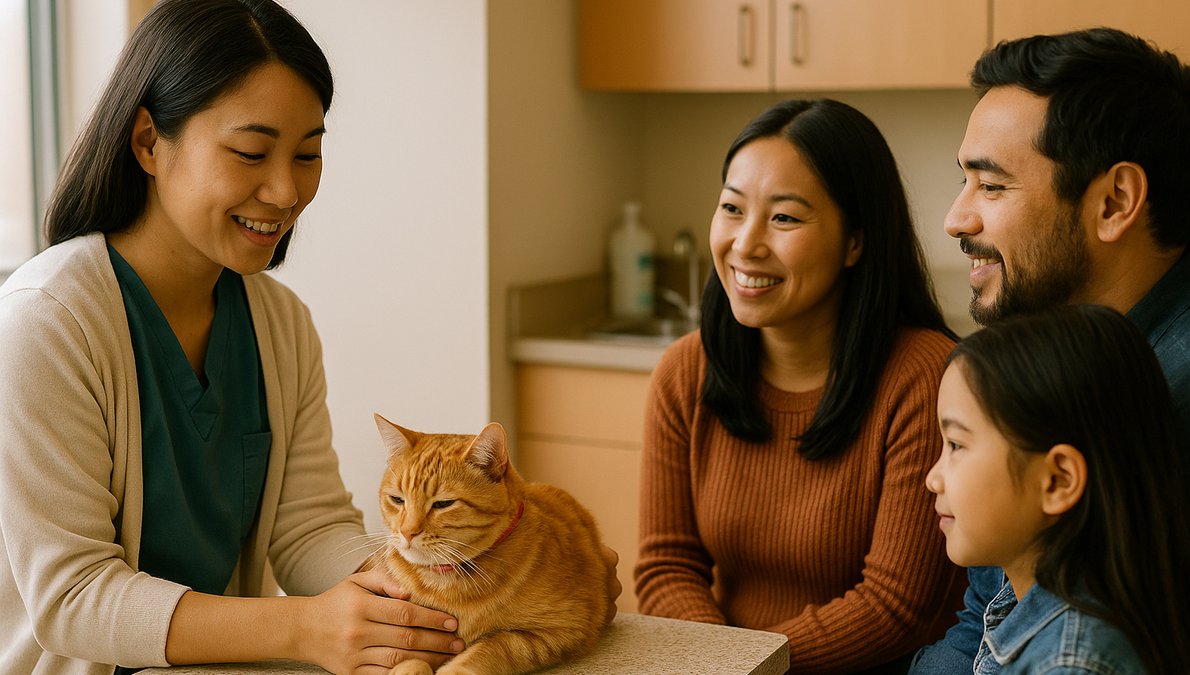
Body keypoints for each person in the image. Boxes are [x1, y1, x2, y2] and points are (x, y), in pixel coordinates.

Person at [0, 1, 617, 673]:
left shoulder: (279, 324)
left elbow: (309, 529)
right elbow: (73, 598)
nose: (285, 190)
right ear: (149, 141)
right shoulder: (46, 323)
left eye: (308, 155)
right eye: (251, 152)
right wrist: (304, 626)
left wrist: (477, 579)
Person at [634, 98, 967, 673]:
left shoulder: (926, 376)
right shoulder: (685, 371)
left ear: (855, 242)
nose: (745, 244)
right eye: (732, 209)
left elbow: (896, 605)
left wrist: (747, 666)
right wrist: (724, 663)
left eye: (784, 218)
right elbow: (667, 566)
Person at [910, 27, 1190, 672]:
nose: (956, 219)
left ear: (1115, 201)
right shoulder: (1044, 362)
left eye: (991, 186)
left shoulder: (1181, 398)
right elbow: (985, 620)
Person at [925, 305, 1190, 673]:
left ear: (1058, 481)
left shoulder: (1073, 663)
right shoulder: (1033, 609)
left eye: (955, 445)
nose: (932, 478)